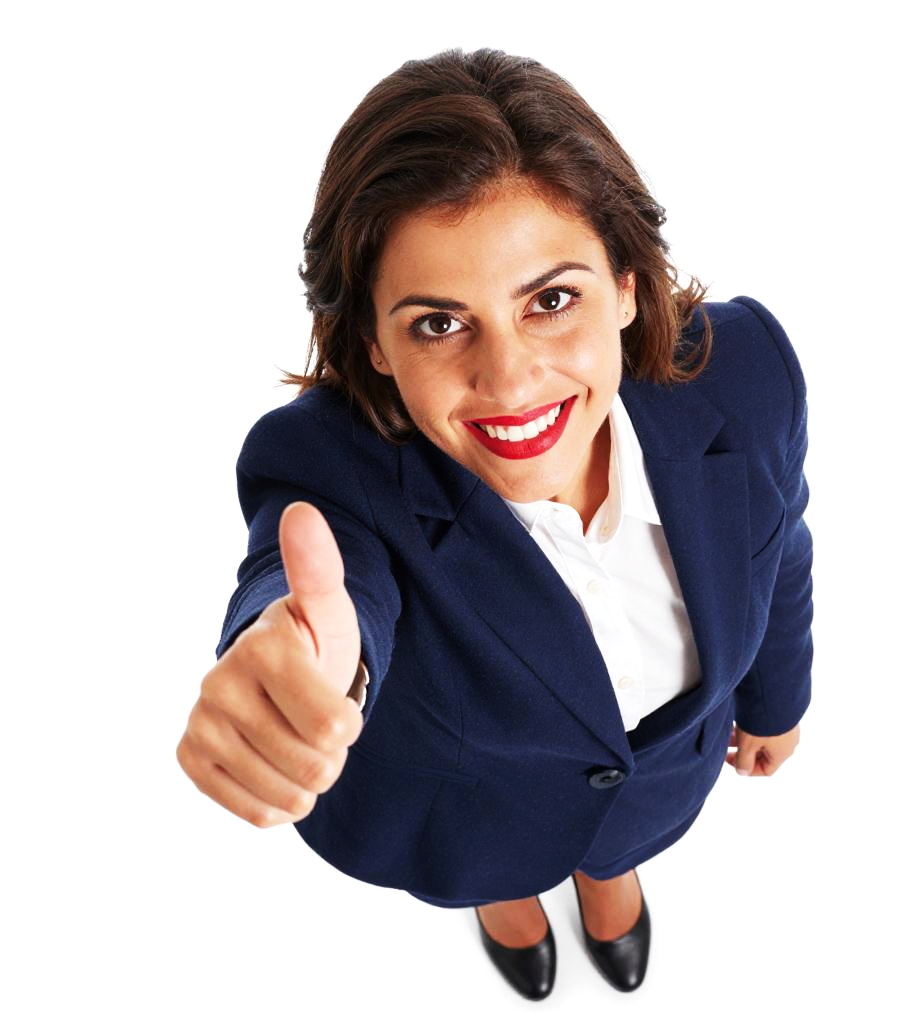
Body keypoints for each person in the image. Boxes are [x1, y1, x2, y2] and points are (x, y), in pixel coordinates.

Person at [176, 47, 813, 1001]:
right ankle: (506, 904)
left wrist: (777, 698)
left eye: (552, 301)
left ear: (629, 285)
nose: (510, 381)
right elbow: (314, 572)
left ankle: (610, 879)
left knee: (614, 844)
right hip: (473, 816)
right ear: (376, 348)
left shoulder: (746, 374)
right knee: (503, 866)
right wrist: (311, 654)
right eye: (438, 323)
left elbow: (782, 540)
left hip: (660, 781)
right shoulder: (328, 464)